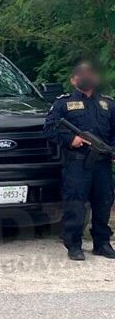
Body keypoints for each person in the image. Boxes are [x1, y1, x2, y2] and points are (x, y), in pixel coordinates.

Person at [44, 62, 115, 261]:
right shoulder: (62, 103)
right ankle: (74, 245)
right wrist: (70, 140)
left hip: (102, 163)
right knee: (75, 204)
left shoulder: (108, 103)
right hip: (77, 163)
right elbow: (49, 129)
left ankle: (102, 243)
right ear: (73, 79)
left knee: (103, 203)